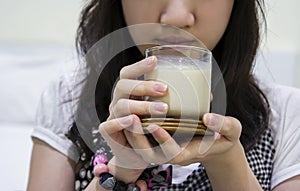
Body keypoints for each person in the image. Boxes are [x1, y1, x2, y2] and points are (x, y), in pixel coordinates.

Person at [27, 0, 300, 191]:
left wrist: (227, 163)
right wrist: (121, 171)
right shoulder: (69, 99)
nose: (177, 18)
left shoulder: (286, 113)